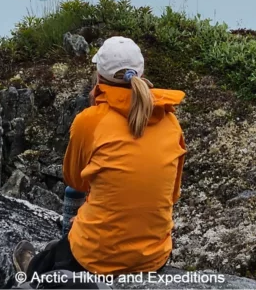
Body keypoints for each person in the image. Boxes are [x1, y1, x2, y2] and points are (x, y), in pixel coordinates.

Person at [13, 35, 186, 282]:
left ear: (99, 76)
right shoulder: (171, 122)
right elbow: (172, 194)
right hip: (154, 257)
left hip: (97, 258)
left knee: (48, 262)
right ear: (141, 72)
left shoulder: (91, 120)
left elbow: (75, 180)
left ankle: (31, 271)